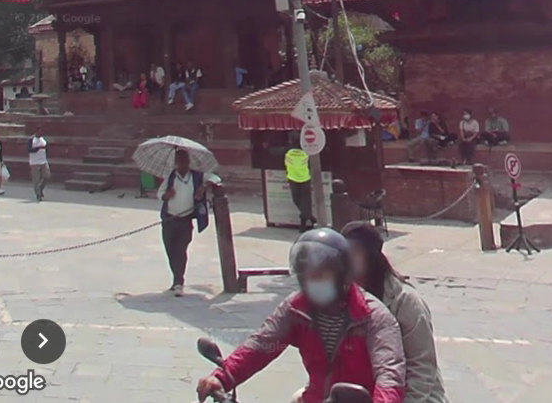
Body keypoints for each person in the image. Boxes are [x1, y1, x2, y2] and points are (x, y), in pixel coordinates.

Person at [194, 228, 407, 403]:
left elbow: (389, 376)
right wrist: (222, 377)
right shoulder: (296, 309)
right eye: (308, 274)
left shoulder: (373, 317)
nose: (314, 281)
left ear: (342, 275)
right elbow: (261, 345)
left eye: (322, 274)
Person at [343, 223, 445, 403]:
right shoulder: (342, 297)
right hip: (366, 389)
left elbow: (422, 368)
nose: (347, 259)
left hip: (414, 395)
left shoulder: (405, 301)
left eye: (355, 251)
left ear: (371, 255)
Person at [157, 149, 208, 297]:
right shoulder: (171, 177)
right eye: (179, 161)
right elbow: (160, 194)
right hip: (169, 219)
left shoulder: (197, 176)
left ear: (188, 162)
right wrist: (168, 195)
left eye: (184, 161)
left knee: (180, 249)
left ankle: (178, 281)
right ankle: (176, 279)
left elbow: (215, 178)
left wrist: (203, 186)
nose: (182, 164)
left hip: (185, 220)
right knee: (170, 250)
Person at [284, 139, 316, 230]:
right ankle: (310, 218)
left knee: (297, 201)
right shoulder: (306, 152)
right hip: (305, 179)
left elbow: (277, 152)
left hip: (293, 179)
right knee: (305, 202)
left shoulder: (289, 152)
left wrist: (268, 147)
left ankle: (304, 224)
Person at [27, 130, 51, 201]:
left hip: (43, 161)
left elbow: (46, 148)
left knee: (47, 175)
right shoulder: (31, 140)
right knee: (36, 179)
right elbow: (29, 150)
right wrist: (38, 148)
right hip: (34, 162)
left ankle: (40, 188)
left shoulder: (43, 139)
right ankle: (38, 194)